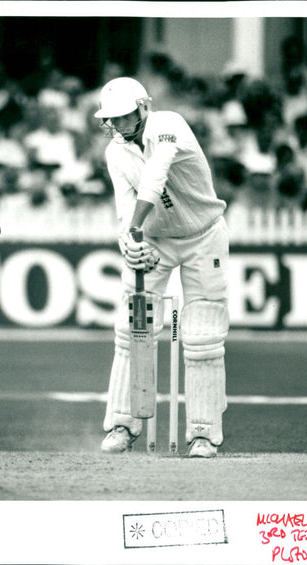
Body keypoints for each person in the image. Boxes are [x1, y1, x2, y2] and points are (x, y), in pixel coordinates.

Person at [94, 77, 230, 458]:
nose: (120, 126)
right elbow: (125, 210)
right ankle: (122, 425)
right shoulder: (115, 153)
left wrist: (136, 227)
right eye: (113, 119)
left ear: (143, 106)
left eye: (125, 116)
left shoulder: (168, 125)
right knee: (130, 326)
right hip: (154, 237)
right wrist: (130, 244)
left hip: (204, 236)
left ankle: (203, 434)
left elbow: (155, 179)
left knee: (203, 334)